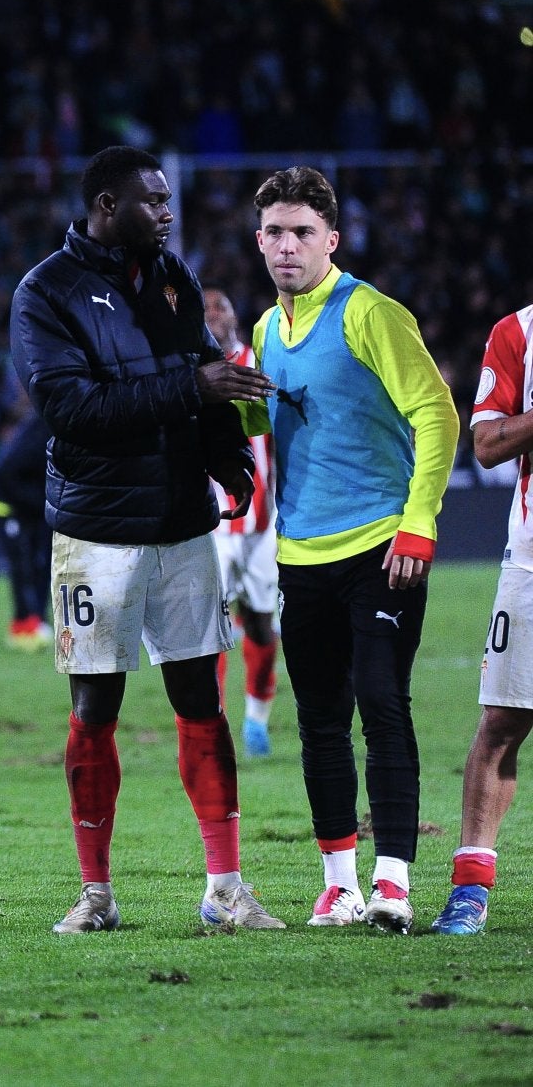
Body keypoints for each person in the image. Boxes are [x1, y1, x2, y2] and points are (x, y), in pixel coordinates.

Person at [10, 145, 285, 935]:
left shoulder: (173, 277)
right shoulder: (46, 294)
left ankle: (225, 887)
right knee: (96, 705)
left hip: (181, 522)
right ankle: (96, 893)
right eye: (151, 202)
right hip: (96, 531)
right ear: (105, 205)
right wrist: (195, 388)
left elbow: (200, 367)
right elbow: (74, 411)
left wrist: (227, 454)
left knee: (202, 701)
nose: (166, 213)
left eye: (168, 202)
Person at [241, 165, 459, 932]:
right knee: (322, 719)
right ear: (258, 240)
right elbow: (265, 435)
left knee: (382, 700)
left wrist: (418, 521)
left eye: (302, 231)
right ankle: (340, 884)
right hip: (302, 557)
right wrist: (236, 410)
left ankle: (393, 879)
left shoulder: (370, 312)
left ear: (332, 238)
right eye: (274, 232)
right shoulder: (266, 332)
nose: (287, 245)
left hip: (381, 548)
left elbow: (436, 413)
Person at [429, 307, 533, 934]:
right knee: (501, 722)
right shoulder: (516, 332)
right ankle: (471, 889)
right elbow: (488, 444)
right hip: (532, 561)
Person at [203, 289, 281, 756]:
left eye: (222, 306)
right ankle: (214, 726)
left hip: (263, 522)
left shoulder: (259, 363)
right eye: (205, 308)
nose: (214, 315)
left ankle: (257, 720)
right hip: (210, 526)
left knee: (258, 624)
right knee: (206, 630)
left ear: (235, 315)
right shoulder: (190, 373)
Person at [0, 410, 54, 651]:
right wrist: (39, 505)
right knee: (24, 566)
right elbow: (5, 474)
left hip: (25, 508)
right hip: (5, 507)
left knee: (37, 564)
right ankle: (26, 626)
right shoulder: (40, 435)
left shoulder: (42, 427)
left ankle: (32, 622)